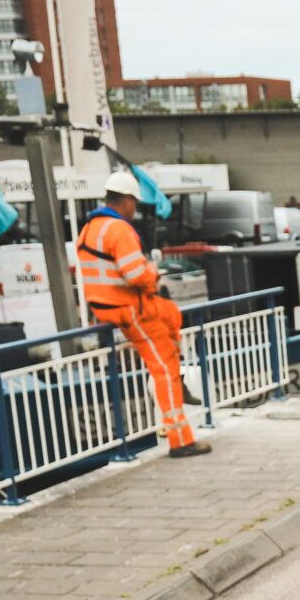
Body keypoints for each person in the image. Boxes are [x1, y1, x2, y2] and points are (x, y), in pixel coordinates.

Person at [76, 169, 205, 456]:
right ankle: (180, 439)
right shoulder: (118, 229)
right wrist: (153, 271)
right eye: (134, 203)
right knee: (165, 370)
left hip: (106, 306)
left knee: (171, 313)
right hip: (128, 308)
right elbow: (136, 275)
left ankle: (175, 354)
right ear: (126, 201)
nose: (135, 209)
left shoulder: (89, 229)